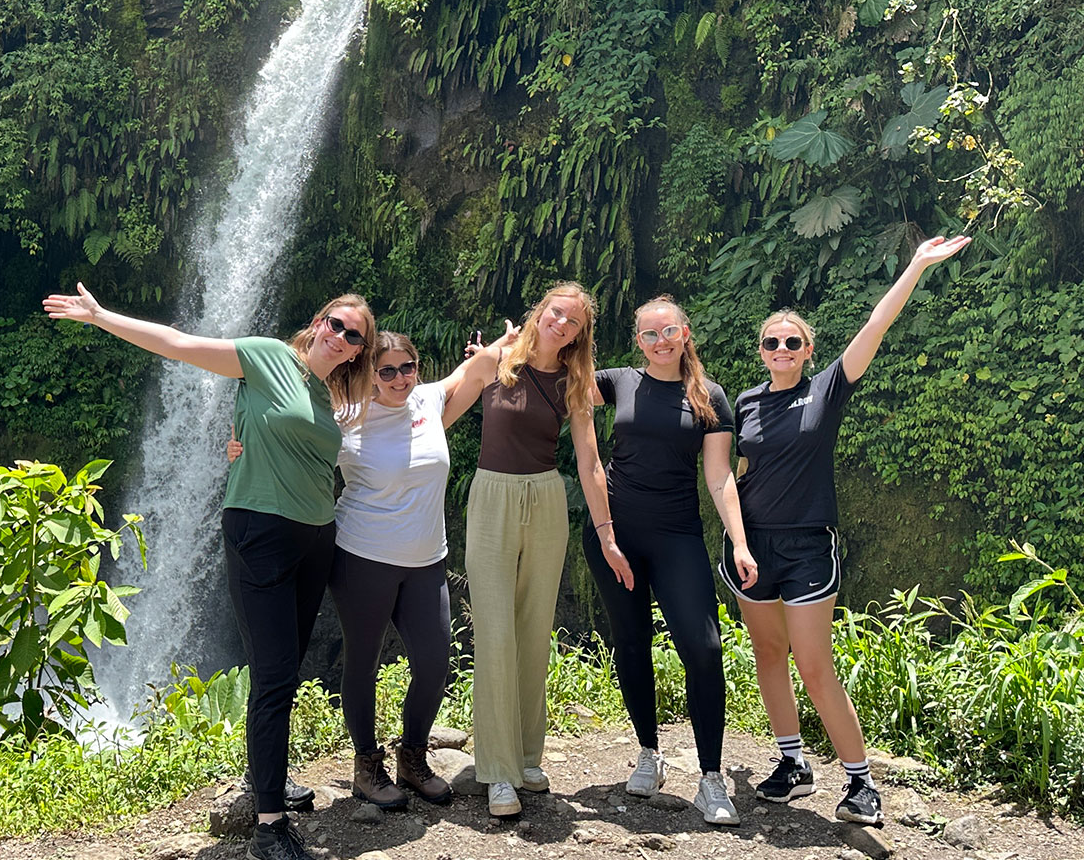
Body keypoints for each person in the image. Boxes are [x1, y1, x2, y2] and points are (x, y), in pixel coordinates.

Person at [42, 283, 375, 860]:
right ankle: (269, 829)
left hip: (314, 540)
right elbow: (177, 343)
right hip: (261, 532)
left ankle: (264, 777)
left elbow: (417, 399)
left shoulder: (329, 400)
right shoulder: (269, 356)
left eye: (354, 335)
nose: (340, 335)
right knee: (274, 676)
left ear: (357, 352)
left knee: (285, 669)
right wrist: (100, 317)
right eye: (334, 322)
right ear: (318, 322)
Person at [725, 235, 970, 827]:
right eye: (771, 342)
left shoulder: (825, 389)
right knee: (767, 653)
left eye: (792, 341)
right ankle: (793, 764)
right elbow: (735, 473)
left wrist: (914, 265)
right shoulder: (747, 402)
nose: (781, 348)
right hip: (752, 544)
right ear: (761, 352)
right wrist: (735, 538)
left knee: (814, 662)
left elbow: (876, 325)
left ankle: (860, 782)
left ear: (808, 351)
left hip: (810, 544)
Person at [231, 322, 519, 810]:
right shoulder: (343, 416)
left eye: (408, 367)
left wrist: (503, 344)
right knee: (362, 662)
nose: (400, 378)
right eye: (387, 371)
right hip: (362, 555)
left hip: (427, 558)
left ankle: (412, 756)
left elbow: (474, 371)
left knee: (434, 664)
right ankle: (367, 764)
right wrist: (239, 441)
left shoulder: (429, 401)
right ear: (368, 373)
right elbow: (283, 423)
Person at [584, 297, 755, 825]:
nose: (660, 341)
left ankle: (710, 777)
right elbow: (552, 386)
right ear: (638, 341)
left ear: (685, 333)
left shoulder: (710, 397)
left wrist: (740, 542)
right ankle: (649, 753)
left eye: (669, 331)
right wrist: (495, 357)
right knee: (631, 641)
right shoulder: (616, 382)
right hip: (614, 534)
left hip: (678, 535)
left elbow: (720, 476)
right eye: (649, 334)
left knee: (703, 648)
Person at [467, 281, 614, 819]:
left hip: (547, 497)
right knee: (496, 632)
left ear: (581, 333)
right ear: (540, 312)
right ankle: (497, 771)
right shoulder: (495, 359)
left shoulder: (574, 381)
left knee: (533, 628)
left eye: (573, 322)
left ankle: (528, 755)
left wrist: (606, 531)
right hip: (492, 494)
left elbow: (590, 461)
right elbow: (438, 407)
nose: (562, 325)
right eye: (557, 314)